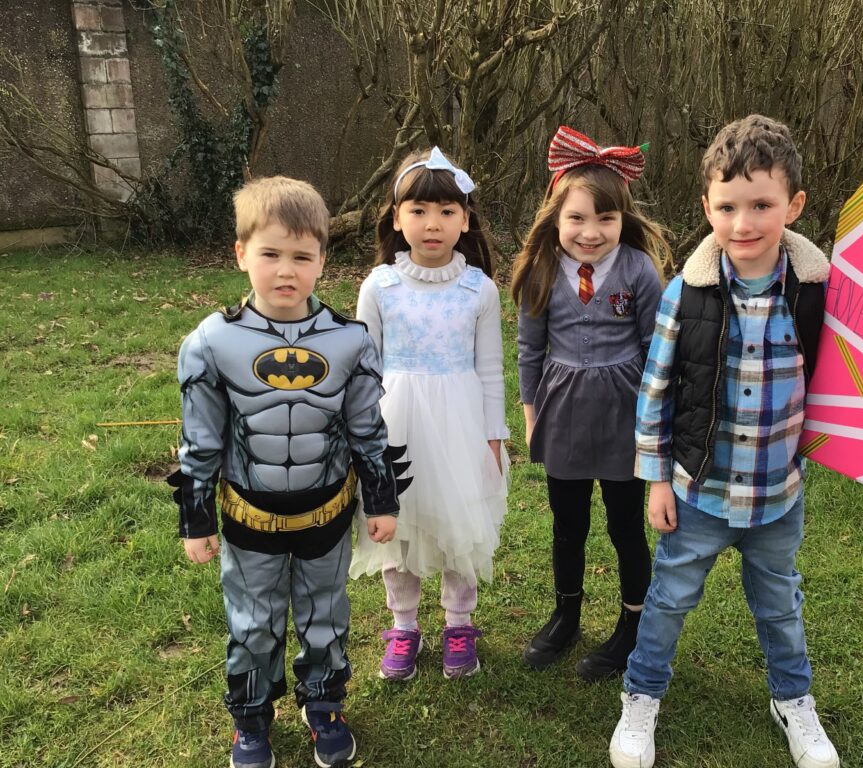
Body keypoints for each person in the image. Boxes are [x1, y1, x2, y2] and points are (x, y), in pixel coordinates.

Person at [607, 115, 863, 768]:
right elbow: (655, 392)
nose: (743, 223)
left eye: (761, 205)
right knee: (668, 601)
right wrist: (655, 480)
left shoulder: (823, 294)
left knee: (780, 606)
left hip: (777, 497)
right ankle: (641, 695)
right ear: (707, 207)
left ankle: (793, 699)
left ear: (793, 205)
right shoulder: (686, 295)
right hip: (699, 492)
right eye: (728, 207)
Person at [170, 176, 408, 768]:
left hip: (327, 513)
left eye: (302, 256)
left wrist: (381, 502)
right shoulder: (211, 342)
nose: (285, 270)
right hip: (248, 516)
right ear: (241, 253)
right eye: (270, 253)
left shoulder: (350, 342)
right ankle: (251, 721)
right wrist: (195, 521)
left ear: (323, 259)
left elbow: (367, 431)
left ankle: (324, 705)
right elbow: (200, 442)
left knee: (325, 615)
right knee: (253, 624)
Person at [512, 126, 671, 682]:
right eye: (577, 218)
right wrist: (532, 417)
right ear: (555, 217)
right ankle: (566, 614)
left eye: (605, 218)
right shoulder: (541, 270)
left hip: (624, 416)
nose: (591, 231)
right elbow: (529, 350)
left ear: (623, 219)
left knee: (626, 525)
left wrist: (654, 428)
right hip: (562, 415)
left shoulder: (638, 271)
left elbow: (657, 353)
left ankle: (633, 623)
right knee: (568, 524)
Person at [350, 147, 509, 682]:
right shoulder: (380, 286)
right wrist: (363, 437)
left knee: (460, 523)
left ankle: (459, 623)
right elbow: (363, 369)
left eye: (446, 211)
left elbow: (490, 370)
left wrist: (493, 436)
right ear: (397, 218)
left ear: (465, 220)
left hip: (461, 423)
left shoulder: (479, 290)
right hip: (397, 423)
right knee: (398, 525)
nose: (432, 223)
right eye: (418, 210)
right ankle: (403, 625)